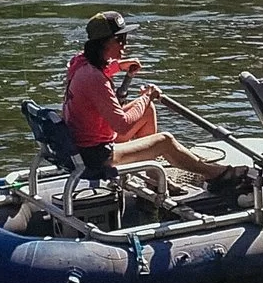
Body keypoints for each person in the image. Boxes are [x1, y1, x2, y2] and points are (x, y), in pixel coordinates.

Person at [63, 11, 250, 192]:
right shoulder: (95, 79)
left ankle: (153, 178)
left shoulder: (80, 62)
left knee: (146, 110)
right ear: (103, 44)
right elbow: (122, 126)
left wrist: (119, 66)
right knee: (165, 140)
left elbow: (99, 76)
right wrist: (147, 96)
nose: (124, 46)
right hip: (96, 155)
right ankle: (216, 174)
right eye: (120, 40)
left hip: (83, 144)